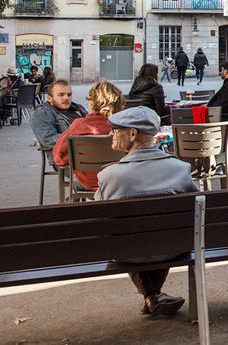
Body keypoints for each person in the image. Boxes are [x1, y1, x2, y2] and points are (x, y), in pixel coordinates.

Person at [95, 106, 198, 317]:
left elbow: (99, 220)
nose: (111, 133)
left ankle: (151, 295)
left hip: (128, 253)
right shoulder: (180, 169)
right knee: (159, 233)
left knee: (134, 236)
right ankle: (153, 295)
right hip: (174, 247)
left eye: (115, 129)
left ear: (132, 134)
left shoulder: (109, 176)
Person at [52, 81, 125, 191]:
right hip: (118, 182)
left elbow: (59, 157)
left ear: (92, 103)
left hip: (88, 183)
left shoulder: (78, 125)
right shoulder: (124, 127)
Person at [29, 80, 87, 162]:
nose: (66, 98)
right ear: (49, 98)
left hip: (90, 152)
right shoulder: (42, 114)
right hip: (66, 158)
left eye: (69, 95)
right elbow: (49, 140)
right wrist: (83, 138)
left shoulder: (78, 108)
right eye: (61, 95)